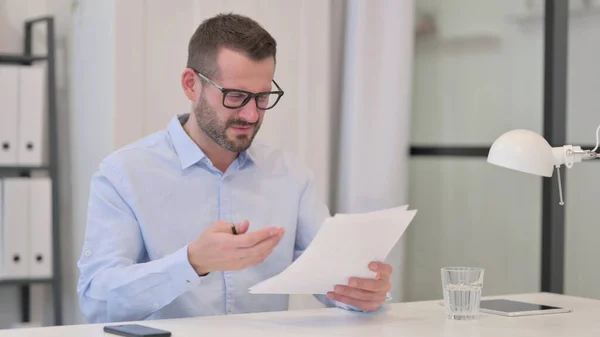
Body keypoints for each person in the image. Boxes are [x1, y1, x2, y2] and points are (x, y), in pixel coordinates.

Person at [77, 13, 392, 323]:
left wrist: (365, 292)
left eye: (263, 97)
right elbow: (97, 302)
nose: (252, 115)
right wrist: (192, 262)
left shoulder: (289, 174)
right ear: (191, 84)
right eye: (236, 96)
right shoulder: (124, 174)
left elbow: (331, 278)